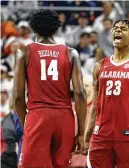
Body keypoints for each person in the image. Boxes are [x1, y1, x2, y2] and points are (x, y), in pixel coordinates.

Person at [13, 9, 87, 168]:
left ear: (33, 28)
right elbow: (80, 93)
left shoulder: (24, 52)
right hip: (64, 116)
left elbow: (18, 97)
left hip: (38, 114)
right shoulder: (71, 53)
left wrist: (26, 121)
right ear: (57, 27)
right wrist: (81, 133)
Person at [84, 20, 129, 168]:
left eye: (123, 29)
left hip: (128, 136)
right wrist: (87, 135)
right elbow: (96, 104)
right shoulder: (99, 66)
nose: (117, 31)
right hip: (101, 135)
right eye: (115, 28)